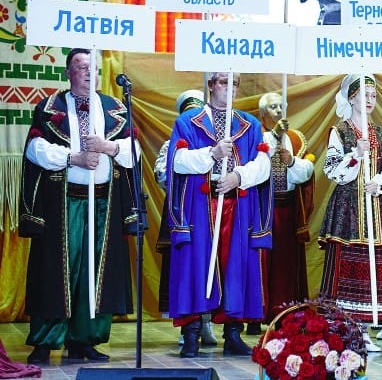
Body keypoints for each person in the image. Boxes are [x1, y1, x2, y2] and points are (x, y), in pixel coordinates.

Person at [19, 48, 140, 366]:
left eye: (93, 67)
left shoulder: (116, 108)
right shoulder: (49, 109)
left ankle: (84, 341)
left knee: (95, 275)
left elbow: (134, 152)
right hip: (64, 202)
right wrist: (74, 158)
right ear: (68, 72)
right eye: (81, 66)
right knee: (56, 272)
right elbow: (35, 149)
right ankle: (45, 341)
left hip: (104, 204)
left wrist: (107, 146)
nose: (89, 72)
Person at [166, 72, 271, 358]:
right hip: (200, 207)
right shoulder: (188, 122)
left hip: (237, 206)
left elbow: (263, 164)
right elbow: (176, 161)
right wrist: (211, 154)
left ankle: (233, 334)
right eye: (224, 82)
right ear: (210, 86)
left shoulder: (250, 125)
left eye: (234, 83)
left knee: (236, 266)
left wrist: (238, 176)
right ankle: (191, 334)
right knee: (195, 266)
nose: (230, 88)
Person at [318, 74, 382, 352]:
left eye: (373, 95)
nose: (368, 100)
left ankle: (366, 328)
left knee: (373, 268)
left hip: (377, 209)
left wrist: (381, 183)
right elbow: (331, 170)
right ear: (351, 97)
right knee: (348, 266)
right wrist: (355, 154)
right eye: (363, 94)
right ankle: (346, 330)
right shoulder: (339, 131)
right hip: (348, 210)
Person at [154, 89, 218, 348]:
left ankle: (207, 321)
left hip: (210, 212)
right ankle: (187, 326)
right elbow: (162, 173)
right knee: (183, 270)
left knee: (211, 267)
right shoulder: (172, 143)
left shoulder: (214, 140)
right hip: (182, 211)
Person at [254, 92, 315, 333]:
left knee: (287, 264)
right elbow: (255, 166)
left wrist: (291, 162)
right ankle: (257, 313)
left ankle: (287, 314)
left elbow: (306, 172)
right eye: (272, 107)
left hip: (288, 208)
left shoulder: (296, 138)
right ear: (262, 114)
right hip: (261, 208)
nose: (278, 110)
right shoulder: (255, 136)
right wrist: (274, 137)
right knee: (262, 262)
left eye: (281, 106)